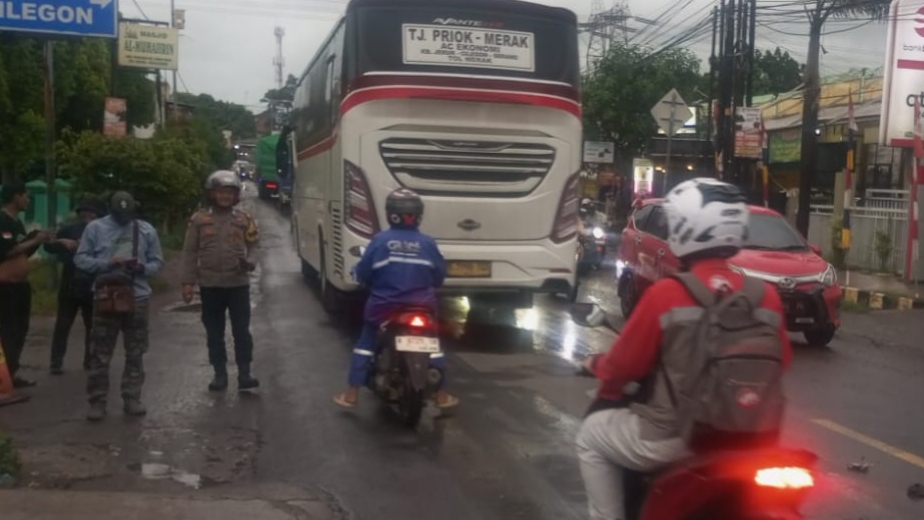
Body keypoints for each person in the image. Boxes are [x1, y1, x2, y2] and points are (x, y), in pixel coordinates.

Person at [575, 178, 794, 520]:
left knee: (590, 436)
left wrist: (599, 371)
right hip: (755, 439)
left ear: (687, 228)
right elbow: (784, 360)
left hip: (677, 437)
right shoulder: (766, 296)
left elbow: (623, 367)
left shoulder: (668, 293)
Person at [334, 188, 458, 409]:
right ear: (418, 215)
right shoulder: (428, 243)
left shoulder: (380, 241)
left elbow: (364, 272)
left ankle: (352, 393)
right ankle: (442, 394)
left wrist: (361, 277)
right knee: (434, 343)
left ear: (390, 213)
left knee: (366, 341)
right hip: (423, 305)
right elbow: (439, 275)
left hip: (384, 306)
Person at [75, 191, 164, 421]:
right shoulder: (95, 228)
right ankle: (97, 401)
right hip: (106, 297)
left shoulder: (146, 230)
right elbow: (80, 258)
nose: (124, 219)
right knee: (100, 353)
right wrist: (106, 263)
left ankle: (132, 397)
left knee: (136, 352)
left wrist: (142, 268)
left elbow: (157, 261)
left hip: (138, 297)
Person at [181, 170, 260, 392]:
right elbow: (189, 252)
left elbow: (254, 246)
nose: (225, 196)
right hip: (210, 286)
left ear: (236, 196)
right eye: (220, 192)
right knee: (214, 333)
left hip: (238, 285)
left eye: (230, 192)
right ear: (212, 193)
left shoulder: (244, 219)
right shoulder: (199, 220)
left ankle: (244, 374)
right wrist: (187, 283)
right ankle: (219, 374)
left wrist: (250, 263)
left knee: (241, 332)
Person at [0, 184, 53, 388]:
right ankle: (4, 376)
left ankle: (12, 372)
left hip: (21, 285)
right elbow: (7, 250)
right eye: (26, 196)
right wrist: (34, 240)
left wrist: (37, 239)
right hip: (6, 285)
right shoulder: (3, 220)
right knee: (8, 329)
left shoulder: (17, 222)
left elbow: (22, 251)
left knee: (21, 329)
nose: (28, 200)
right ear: (16, 196)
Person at [44, 200, 104, 374]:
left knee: (92, 327)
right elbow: (48, 246)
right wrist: (61, 242)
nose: (88, 215)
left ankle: (90, 361)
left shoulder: (103, 232)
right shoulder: (69, 230)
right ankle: (56, 363)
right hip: (70, 284)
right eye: (84, 211)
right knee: (63, 325)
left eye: (92, 212)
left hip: (92, 285)